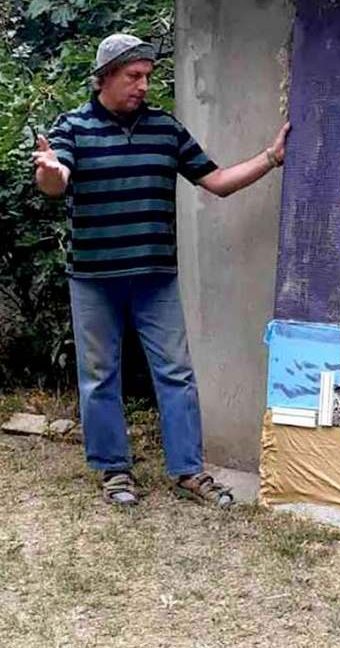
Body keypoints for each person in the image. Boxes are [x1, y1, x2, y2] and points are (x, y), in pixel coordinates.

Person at [31, 33, 290, 508]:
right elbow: (56, 180)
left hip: (155, 279)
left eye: (148, 76)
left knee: (176, 374)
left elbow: (217, 182)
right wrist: (49, 169)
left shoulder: (165, 129)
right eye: (134, 76)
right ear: (105, 77)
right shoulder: (73, 127)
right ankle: (114, 470)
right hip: (93, 279)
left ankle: (189, 471)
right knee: (99, 377)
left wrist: (271, 158)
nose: (144, 86)